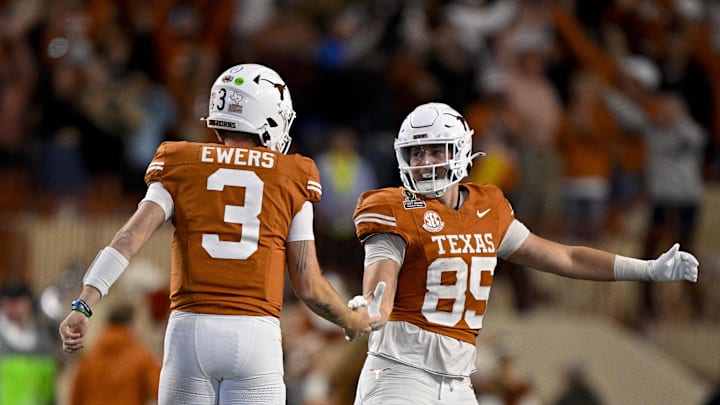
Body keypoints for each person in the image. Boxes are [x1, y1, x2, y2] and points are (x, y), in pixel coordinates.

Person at [59, 63, 377, 404]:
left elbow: (127, 239)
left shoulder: (179, 161)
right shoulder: (292, 175)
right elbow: (308, 286)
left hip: (187, 334)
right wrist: (350, 319)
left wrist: (84, 304)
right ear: (268, 117)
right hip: (255, 333)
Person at [348, 102, 699, 404]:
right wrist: (369, 311)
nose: (424, 161)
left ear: (459, 150)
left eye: (435, 150)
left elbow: (566, 258)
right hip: (400, 375)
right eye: (416, 152)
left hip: (457, 382)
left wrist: (648, 269)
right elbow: (380, 286)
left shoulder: (488, 206)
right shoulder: (392, 207)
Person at [69, 302, 161, 405]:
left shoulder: (88, 359)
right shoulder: (142, 358)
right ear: (131, 325)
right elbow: (163, 393)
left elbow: (75, 400)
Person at [0, 280, 60, 405]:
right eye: (7, 305)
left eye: (16, 304)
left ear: (28, 304)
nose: (12, 310)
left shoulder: (44, 335)